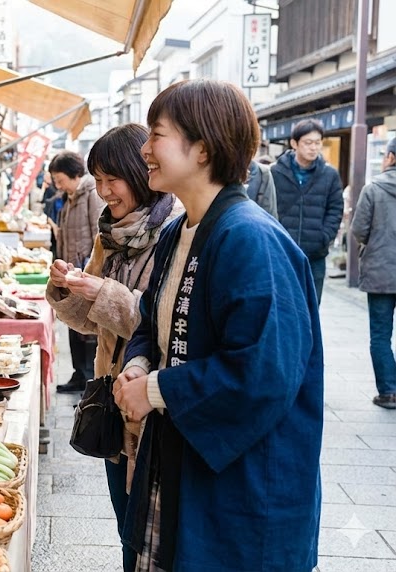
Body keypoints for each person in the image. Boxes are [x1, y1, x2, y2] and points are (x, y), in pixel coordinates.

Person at [113, 79, 323, 571]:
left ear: (202, 147)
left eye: (156, 135)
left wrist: (156, 390)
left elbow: (263, 372)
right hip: (182, 460)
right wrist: (139, 363)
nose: (145, 150)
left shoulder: (251, 239)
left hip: (241, 484)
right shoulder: (178, 231)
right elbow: (152, 319)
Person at [46, 124, 182, 571]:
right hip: (112, 396)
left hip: (153, 403)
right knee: (126, 525)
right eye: (97, 180)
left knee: (148, 535)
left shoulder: (174, 231)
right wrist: (67, 290)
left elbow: (160, 319)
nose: (104, 192)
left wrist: (100, 290)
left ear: (139, 171)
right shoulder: (110, 236)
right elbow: (92, 322)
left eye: (112, 179)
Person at [271, 118, 344, 305]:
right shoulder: (275, 172)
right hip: (282, 251)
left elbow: (335, 209)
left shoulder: (330, 175)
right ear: (294, 143)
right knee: (282, 306)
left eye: (317, 143)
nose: (313, 148)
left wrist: (324, 237)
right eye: (308, 142)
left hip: (315, 255)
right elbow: (267, 207)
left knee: (311, 308)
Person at [49, 151, 104, 393]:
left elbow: (98, 233)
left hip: (86, 271)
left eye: (60, 179)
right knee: (72, 325)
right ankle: (78, 374)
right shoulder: (69, 199)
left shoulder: (91, 195)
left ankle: (89, 377)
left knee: (88, 328)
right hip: (71, 272)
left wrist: (91, 267)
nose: (57, 185)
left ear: (75, 174)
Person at [352, 136, 396, 409]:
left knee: (380, 334)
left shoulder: (373, 189)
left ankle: (389, 392)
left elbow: (358, 230)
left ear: (390, 157)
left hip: (380, 273)